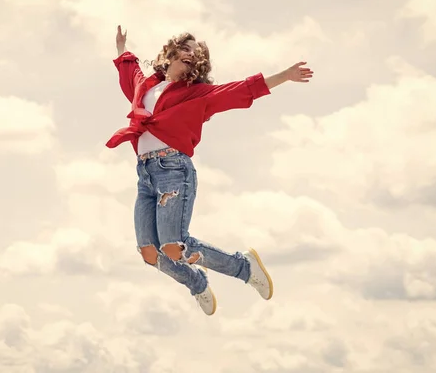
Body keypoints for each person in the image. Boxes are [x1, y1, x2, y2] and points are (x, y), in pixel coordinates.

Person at [106, 25, 314, 315]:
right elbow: (129, 72)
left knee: (175, 246)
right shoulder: (146, 88)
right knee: (150, 252)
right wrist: (121, 47)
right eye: (186, 47)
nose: (191, 53)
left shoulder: (197, 94)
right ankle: (197, 282)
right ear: (170, 52)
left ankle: (244, 267)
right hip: (146, 175)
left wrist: (284, 76)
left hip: (173, 170)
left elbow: (241, 91)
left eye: (197, 52)